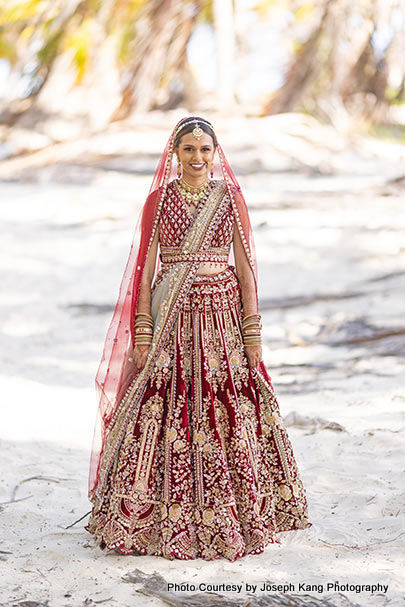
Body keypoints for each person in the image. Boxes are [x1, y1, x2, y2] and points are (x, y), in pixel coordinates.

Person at [85, 116, 311, 561]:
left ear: (215, 153)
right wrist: (144, 331)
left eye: (205, 149)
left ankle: (237, 513)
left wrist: (252, 332)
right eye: (188, 149)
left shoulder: (229, 199)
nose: (197, 157)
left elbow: (245, 270)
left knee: (227, 403)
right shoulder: (159, 199)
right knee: (164, 405)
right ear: (174, 153)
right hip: (173, 316)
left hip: (222, 319)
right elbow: (144, 272)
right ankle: (149, 518)